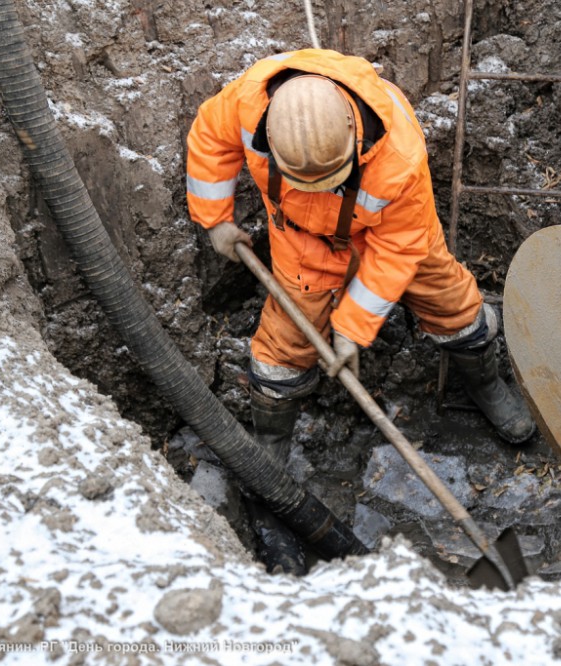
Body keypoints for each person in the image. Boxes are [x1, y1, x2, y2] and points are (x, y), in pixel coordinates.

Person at [186, 48, 535, 574]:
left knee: (450, 300)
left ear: (354, 141)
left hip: (389, 237)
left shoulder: (397, 154)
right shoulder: (248, 103)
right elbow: (209, 141)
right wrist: (214, 219)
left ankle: (485, 383)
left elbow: (397, 252)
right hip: (302, 242)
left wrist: (352, 329)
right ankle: (272, 449)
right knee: (285, 346)